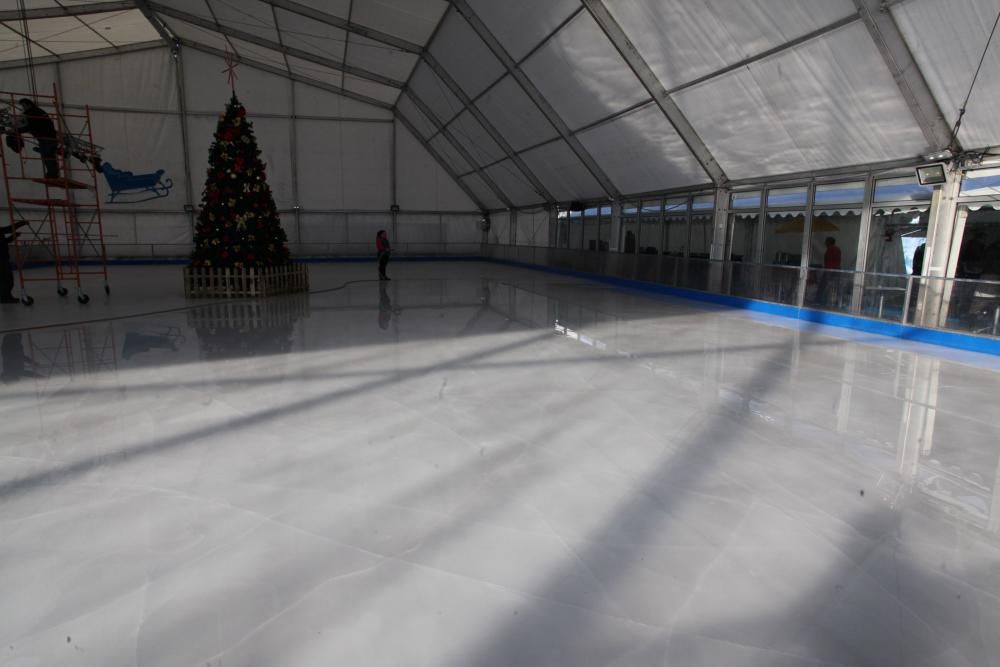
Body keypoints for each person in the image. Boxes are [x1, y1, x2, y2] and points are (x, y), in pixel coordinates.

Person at [10, 98, 60, 180]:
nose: (23, 108)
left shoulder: (33, 113)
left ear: (29, 105)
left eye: (24, 105)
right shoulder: (36, 111)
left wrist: (17, 130)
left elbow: (30, 126)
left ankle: (53, 174)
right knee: (47, 156)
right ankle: (52, 173)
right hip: (46, 137)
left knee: (48, 156)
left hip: (47, 137)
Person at [1, 220, 30, 304]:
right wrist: (22, 222)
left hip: (4, 259)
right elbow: (9, 229)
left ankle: (7, 297)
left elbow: (5, 241)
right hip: (1, 260)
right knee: (6, 280)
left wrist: (14, 236)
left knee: (8, 279)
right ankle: (5, 298)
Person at [817, 236, 842, 307]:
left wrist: (827, 270)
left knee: (827, 287)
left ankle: (826, 302)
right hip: (835, 270)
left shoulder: (831, 249)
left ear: (829, 242)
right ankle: (831, 302)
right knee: (833, 287)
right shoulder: (837, 249)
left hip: (830, 270)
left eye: (826, 242)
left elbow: (830, 261)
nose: (825, 243)